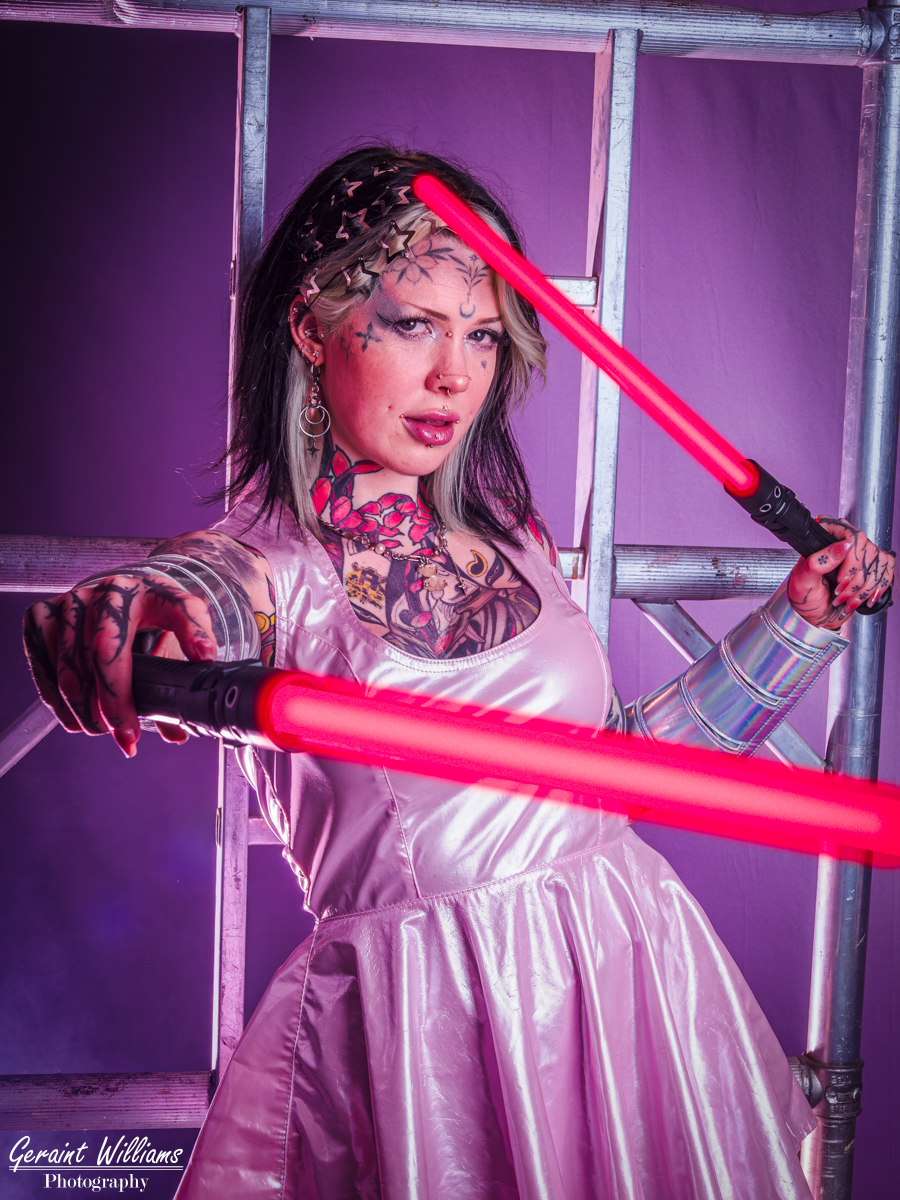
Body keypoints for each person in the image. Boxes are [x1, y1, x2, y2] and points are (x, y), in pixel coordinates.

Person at [24, 146, 895, 1200]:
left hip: (634, 991)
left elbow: (621, 777)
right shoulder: (270, 565)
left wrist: (795, 625)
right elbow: (194, 587)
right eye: (414, 324)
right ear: (312, 327)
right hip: (433, 1040)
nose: (456, 375)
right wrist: (126, 604)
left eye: (481, 334)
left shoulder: (515, 538)